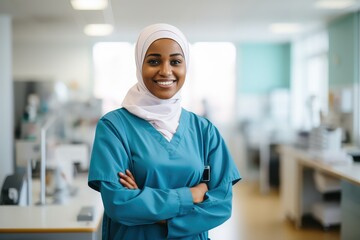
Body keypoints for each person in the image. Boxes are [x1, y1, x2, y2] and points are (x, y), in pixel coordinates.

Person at [88, 23, 241, 240]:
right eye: (154, 61)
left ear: (186, 66)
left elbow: (221, 205)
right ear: (139, 65)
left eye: (176, 61)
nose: (166, 71)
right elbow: (119, 204)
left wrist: (148, 205)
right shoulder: (114, 127)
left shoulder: (204, 130)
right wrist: (191, 195)